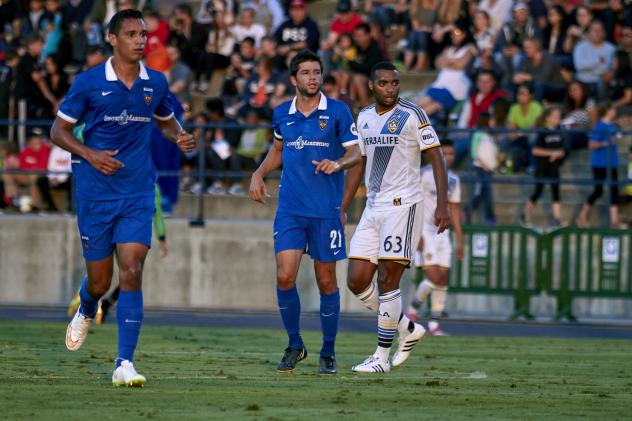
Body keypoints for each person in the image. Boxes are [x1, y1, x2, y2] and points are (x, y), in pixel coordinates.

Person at [51, 10, 195, 387]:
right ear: (113, 39)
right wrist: (90, 154)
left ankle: (124, 363)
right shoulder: (89, 83)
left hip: (136, 191)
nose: (139, 40)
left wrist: (178, 135)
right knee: (100, 283)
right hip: (96, 194)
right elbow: (58, 130)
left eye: (143, 33)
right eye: (130, 33)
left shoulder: (157, 83)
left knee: (132, 269)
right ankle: (86, 308)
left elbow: (165, 121)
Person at [249, 50, 361, 374]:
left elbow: (356, 154)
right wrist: (258, 173)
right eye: (306, 73)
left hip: (326, 211)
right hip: (291, 210)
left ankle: (328, 351)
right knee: (285, 275)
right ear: (294, 79)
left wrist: (337, 164)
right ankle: (295, 344)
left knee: (326, 281)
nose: (313, 77)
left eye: (317, 72)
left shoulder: (338, 112)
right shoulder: (282, 113)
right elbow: (278, 150)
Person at [344, 62, 450, 373]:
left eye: (395, 83)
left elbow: (437, 155)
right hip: (373, 207)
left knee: (388, 281)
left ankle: (381, 357)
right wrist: (342, 205)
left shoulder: (412, 114)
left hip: (404, 205)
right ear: (372, 86)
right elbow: (359, 161)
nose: (390, 88)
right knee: (356, 280)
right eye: (384, 83)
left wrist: (443, 204)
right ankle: (407, 327)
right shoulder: (363, 117)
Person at [405, 139, 463, 336]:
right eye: (444, 153)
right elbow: (412, 201)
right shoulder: (423, 174)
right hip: (423, 230)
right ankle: (412, 311)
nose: (448, 157)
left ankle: (433, 324)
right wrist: (414, 232)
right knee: (433, 277)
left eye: (451, 154)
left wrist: (460, 238)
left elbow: (454, 208)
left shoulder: (454, 179)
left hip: (443, 233)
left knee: (443, 277)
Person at [576, 102, 621, 228]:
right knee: (598, 190)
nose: (615, 111)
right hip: (599, 162)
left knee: (614, 190)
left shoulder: (613, 126)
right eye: (613, 108)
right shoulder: (599, 126)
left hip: (612, 162)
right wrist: (606, 143)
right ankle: (582, 216)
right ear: (608, 110)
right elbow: (591, 144)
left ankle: (614, 221)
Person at [520, 107, 566, 226]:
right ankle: (525, 215)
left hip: (554, 166)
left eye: (558, 117)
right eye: (555, 117)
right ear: (548, 118)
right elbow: (535, 150)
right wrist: (551, 153)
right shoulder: (543, 132)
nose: (557, 120)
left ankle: (557, 219)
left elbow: (563, 149)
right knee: (538, 191)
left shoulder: (560, 132)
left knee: (555, 191)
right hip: (542, 165)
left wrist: (559, 154)